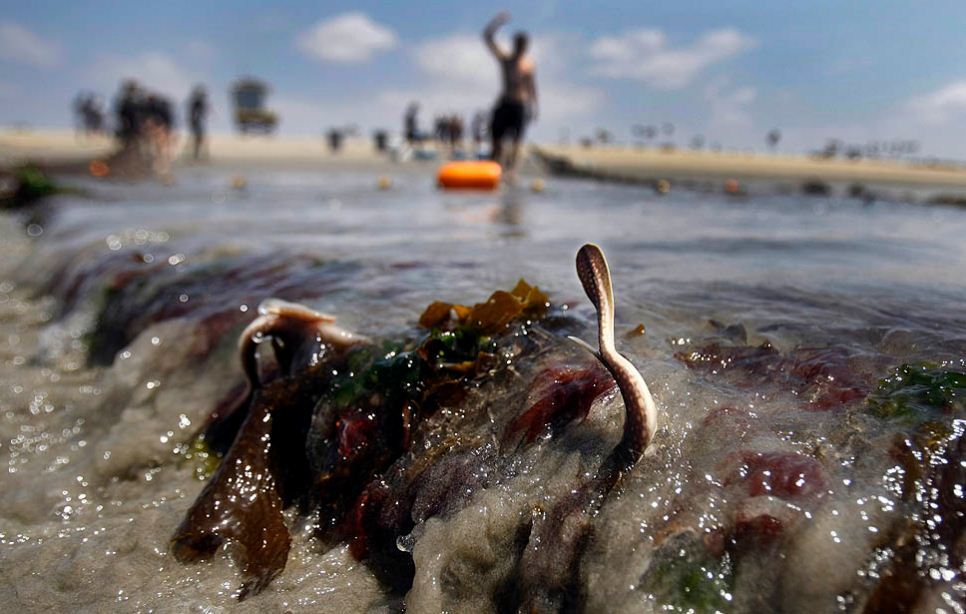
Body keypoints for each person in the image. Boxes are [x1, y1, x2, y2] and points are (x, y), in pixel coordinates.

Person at [483, 11, 537, 173]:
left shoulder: (528, 65)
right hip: (504, 102)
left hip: (520, 105)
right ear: (514, 43)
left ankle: (511, 173)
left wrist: (535, 107)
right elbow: (487, 37)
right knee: (496, 139)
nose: (520, 47)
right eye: (518, 43)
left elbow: (532, 87)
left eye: (523, 44)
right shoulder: (506, 60)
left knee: (516, 142)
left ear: (526, 46)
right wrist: (497, 21)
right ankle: (493, 167)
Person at [187, 86, 209, 160]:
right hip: (196, 122)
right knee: (198, 138)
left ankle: (197, 155)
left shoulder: (195, 102)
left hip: (195, 122)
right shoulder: (197, 102)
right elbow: (198, 113)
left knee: (199, 138)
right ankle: (196, 155)